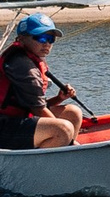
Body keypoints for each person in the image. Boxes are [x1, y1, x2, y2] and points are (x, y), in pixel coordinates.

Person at [0, 13, 85, 150]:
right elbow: (37, 109)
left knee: (72, 112)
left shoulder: (31, 57)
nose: (46, 44)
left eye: (51, 39)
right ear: (22, 39)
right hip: (4, 126)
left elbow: (30, 106)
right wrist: (69, 139)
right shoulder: (22, 66)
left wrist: (59, 98)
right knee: (62, 129)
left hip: (17, 118)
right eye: (41, 37)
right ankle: (42, 164)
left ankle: (63, 155)